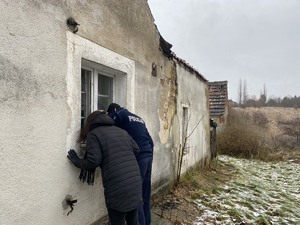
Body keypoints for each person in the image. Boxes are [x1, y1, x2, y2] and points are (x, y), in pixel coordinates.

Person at [67, 110, 142, 225]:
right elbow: (136, 149)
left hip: (118, 186)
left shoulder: (94, 134)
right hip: (135, 182)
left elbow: (93, 161)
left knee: (117, 221)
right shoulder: (121, 131)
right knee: (133, 221)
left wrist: (77, 161)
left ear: (90, 123)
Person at [107, 103, 154, 225]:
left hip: (139, 157)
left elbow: (108, 128)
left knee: (136, 197)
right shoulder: (137, 118)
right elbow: (150, 141)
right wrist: (148, 156)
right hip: (148, 154)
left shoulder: (118, 114)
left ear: (112, 111)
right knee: (145, 193)